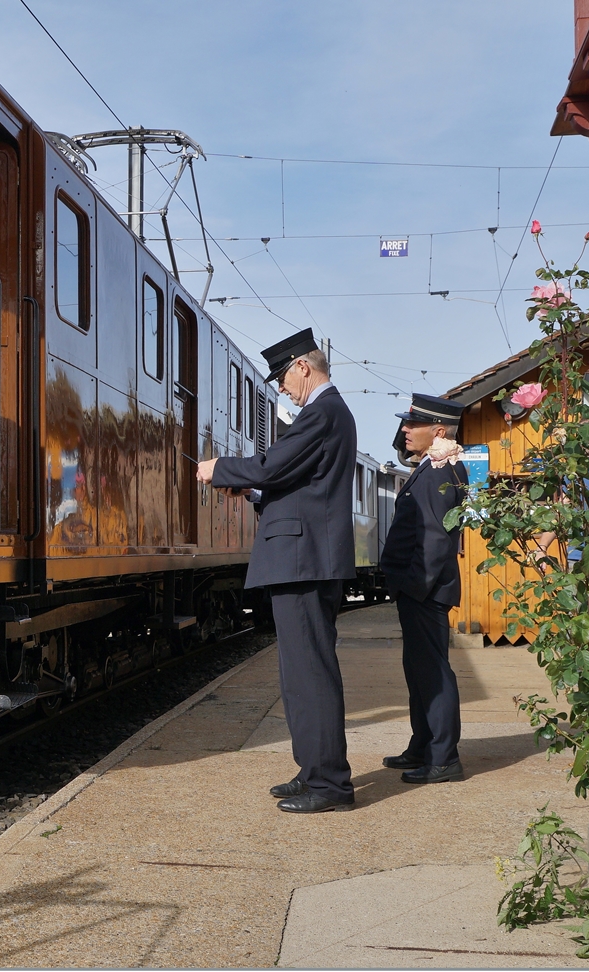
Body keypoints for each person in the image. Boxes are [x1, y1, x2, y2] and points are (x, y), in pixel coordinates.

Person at [196, 328, 357, 813]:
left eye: (283, 378)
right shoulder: (328, 413)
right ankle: (313, 770)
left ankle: (330, 784)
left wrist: (220, 469)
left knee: (310, 673)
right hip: (302, 558)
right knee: (299, 675)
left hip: (304, 561)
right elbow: (297, 482)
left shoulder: (323, 412)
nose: (282, 389)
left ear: (303, 366)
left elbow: (272, 465)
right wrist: (254, 493)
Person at [379, 394, 469, 784]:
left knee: (433, 673)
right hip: (420, 589)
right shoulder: (432, 467)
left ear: (438, 431)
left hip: (425, 591)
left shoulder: (439, 472)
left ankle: (444, 757)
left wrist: (414, 587)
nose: (404, 429)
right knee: (419, 671)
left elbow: (434, 538)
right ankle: (423, 745)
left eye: (412, 424)